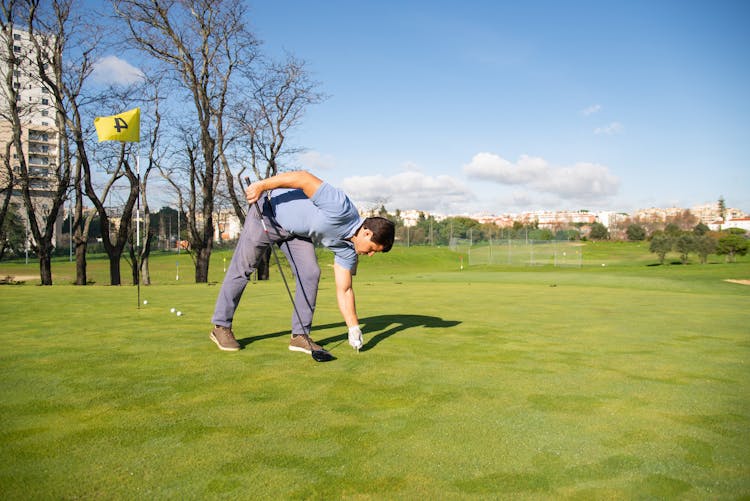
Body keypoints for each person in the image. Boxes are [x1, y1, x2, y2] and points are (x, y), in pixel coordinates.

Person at [210, 170, 395, 355]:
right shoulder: (341, 207)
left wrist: (353, 327)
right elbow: (302, 178)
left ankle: (300, 336)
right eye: (372, 249)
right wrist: (261, 185)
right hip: (267, 214)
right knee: (244, 267)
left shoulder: (348, 251)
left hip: (295, 233)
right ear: (367, 233)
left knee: (310, 273)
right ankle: (221, 327)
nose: (370, 255)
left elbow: (345, 289)